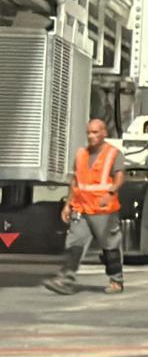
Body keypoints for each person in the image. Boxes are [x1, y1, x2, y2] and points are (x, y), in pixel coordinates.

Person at [43, 119, 126, 295]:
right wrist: (67, 205)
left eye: (95, 132)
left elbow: (119, 178)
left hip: (104, 210)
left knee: (110, 246)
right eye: (89, 132)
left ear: (104, 133)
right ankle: (65, 280)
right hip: (81, 208)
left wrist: (110, 193)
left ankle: (116, 280)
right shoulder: (81, 154)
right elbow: (75, 182)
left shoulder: (113, 153)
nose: (91, 136)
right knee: (74, 243)